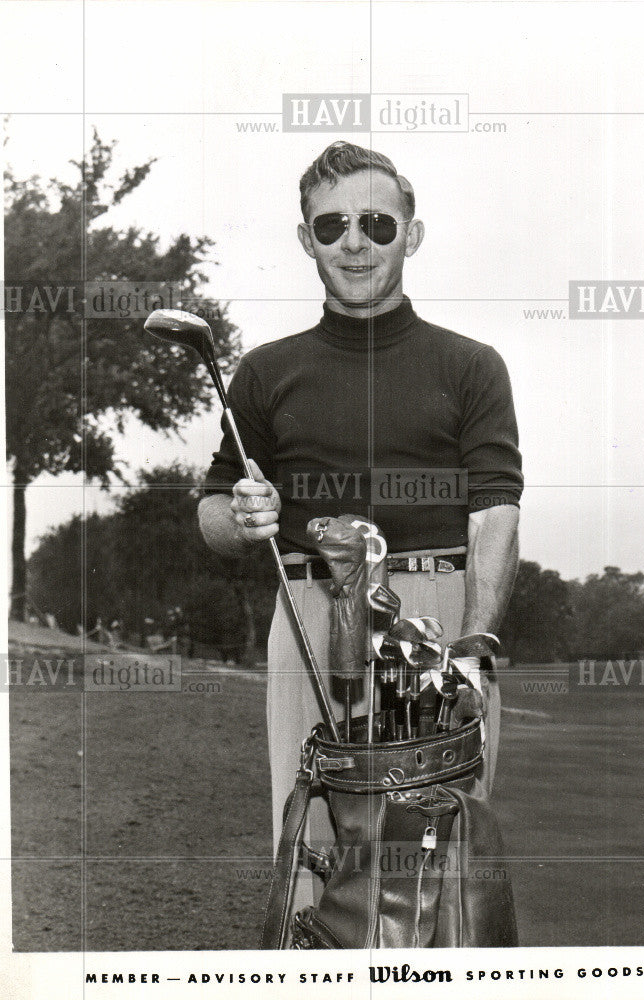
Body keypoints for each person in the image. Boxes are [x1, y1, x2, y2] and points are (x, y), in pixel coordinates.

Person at [198, 140, 523, 924]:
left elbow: (495, 513)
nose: (354, 242)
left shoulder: (470, 365)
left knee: (437, 858)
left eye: (376, 223)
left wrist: (474, 645)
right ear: (304, 238)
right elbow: (212, 510)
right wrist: (239, 520)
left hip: (437, 622)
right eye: (332, 224)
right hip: (311, 614)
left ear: (410, 235)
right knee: (317, 835)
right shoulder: (264, 372)